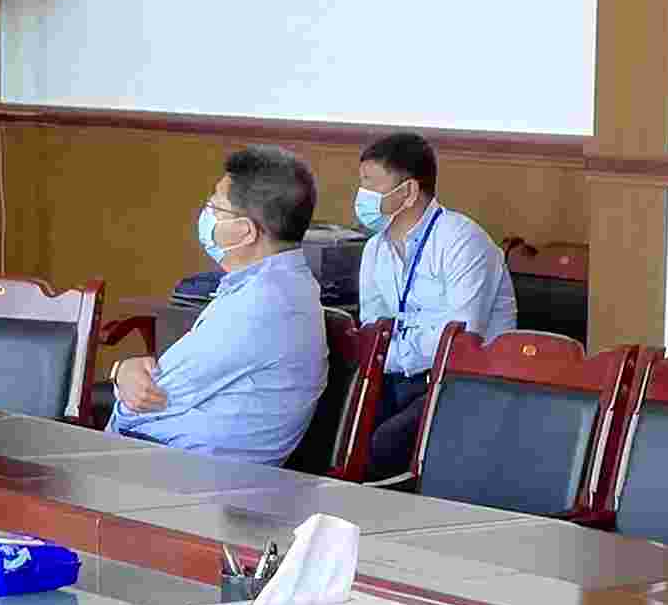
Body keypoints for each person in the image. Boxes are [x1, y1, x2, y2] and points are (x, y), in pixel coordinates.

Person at [104, 148, 330, 466]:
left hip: (191, 476)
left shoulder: (262, 303)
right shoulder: (277, 286)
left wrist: (121, 376)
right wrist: (125, 374)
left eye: (215, 206)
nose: (206, 213)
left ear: (245, 230)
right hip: (175, 463)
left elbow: (146, 400)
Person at [346, 133, 517, 481]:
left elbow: (460, 340)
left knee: (384, 445)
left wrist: (394, 352)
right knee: (340, 428)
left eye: (371, 184)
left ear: (409, 191)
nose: (362, 195)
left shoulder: (461, 240)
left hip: (463, 382)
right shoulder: (375, 249)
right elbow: (373, 329)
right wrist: (391, 355)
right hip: (398, 377)